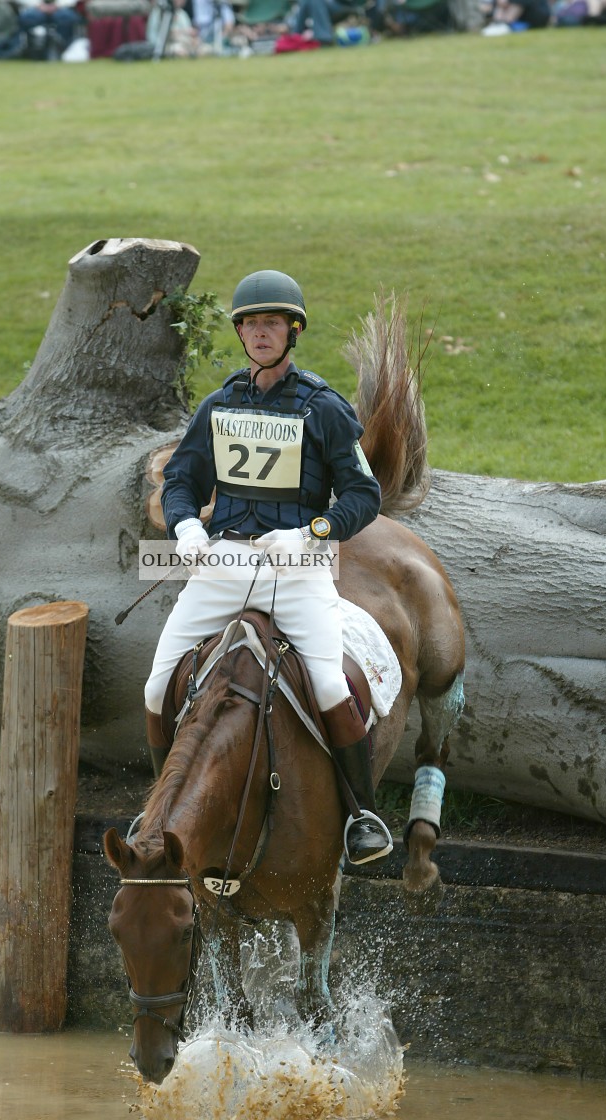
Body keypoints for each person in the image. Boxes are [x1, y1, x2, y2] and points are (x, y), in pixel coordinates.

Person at [144, 269, 392, 865]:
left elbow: (365, 496)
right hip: (225, 563)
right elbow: (182, 478)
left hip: (298, 566)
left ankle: (362, 814)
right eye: (251, 324)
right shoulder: (219, 404)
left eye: (272, 324)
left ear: (292, 331)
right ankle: (159, 809)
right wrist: (185, 525)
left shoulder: (325, 409)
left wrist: (314, 531)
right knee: (156, 685)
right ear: (240, 333)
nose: (260, 333)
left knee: (330, 682)